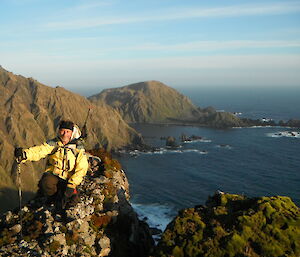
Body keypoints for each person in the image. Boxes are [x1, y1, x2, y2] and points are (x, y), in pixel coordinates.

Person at [14, 120, 89, 209]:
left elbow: (82, 168)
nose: (65, 134)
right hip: (54, 174)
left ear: (72, 133)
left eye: (68, 132)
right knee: (46, 184)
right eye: (63, 131)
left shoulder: (78, 148)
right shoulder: (53, 144)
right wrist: (24, 154)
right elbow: (39, 151)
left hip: (69, 177)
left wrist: (72, 184)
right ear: (59, 131)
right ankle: (53, 198)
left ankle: (64, 194)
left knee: (72, 201)